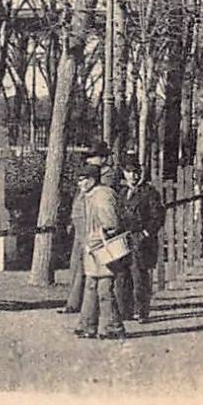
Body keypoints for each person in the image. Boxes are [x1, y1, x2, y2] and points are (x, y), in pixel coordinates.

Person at [76, 158, 128, 339]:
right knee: (91, 286)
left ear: (92, 179)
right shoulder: (89, 195)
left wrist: (94, 239)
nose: (79, 183)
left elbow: (111, 224)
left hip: (104, 249)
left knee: (104, 289)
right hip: (93, 249)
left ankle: (113, 327)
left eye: (83, 179)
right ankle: (87, 325)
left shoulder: (102, 196)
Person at [58, 143, 109, 315]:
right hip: (80, 226)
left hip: (93, 227)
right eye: (89, 157)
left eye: (94, 156)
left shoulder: (107, 177)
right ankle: (74, 302)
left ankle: (89, 308)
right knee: (77, 265)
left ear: (103, 158)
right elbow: (79, 199)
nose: (89, 160)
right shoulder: (86, 176)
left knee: (95, 269)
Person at [115, 154, 164, 323]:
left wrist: (145, 234)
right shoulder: (122, 193)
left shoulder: (149, 192)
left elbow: (157, 217)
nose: (133, 176)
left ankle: (142, 312)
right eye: (129, 172)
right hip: (124, 239)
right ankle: (125, 311)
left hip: (142, 241)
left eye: (136, 172)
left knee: (140, 277)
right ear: (123, 173)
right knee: (122, 276)